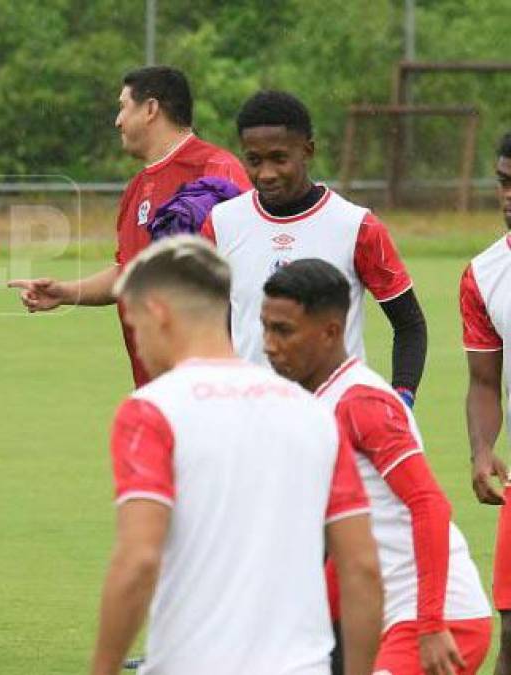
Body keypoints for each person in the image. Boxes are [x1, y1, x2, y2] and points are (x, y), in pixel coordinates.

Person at [91, 236, 383, 675]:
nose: (139, 346)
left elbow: (138, 561)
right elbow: (361, 567)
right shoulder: (313, 412)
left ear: (158, 312)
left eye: (135, 327)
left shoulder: (152, 410)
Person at [264, 258, 491, 675]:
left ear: (331, 332)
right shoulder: (317, 405)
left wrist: (431, 624)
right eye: (266, 327)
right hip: (384, 621)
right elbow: (344, 542)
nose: (268, 345)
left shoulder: (361, 402)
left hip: (441, 624)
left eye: (284, 331)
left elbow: (430, 506)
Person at [8, 66, 250, 385]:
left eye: (123, 107)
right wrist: (66, 292)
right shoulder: (137, 187)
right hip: (153, 385)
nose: (117, 120)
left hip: (212, 386)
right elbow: (129, 272)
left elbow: (249, 262)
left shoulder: (215, 168)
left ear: (150, 109)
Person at [202, 90, 427, 406]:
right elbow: (211, 319)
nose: (266, 173)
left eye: (279, 158)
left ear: (307, 151)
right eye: (254, 160)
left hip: (336, 420)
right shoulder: (221, 223)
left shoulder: (356, 226)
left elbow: (409, 324)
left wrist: (401, 398)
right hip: (250, 421)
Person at [459, 131, 511, 674]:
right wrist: (481, 449)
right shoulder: (483, 274)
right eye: (503, 183)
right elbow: (482, 381)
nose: (509, 197)